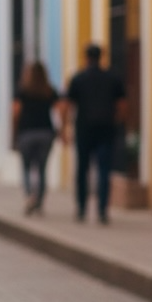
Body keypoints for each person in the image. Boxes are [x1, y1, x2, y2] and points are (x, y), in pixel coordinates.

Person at [62, 43, 127, 223]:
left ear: (86, 58)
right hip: (106, 129)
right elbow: (122, 105)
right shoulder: (112, 78)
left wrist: (64, 128)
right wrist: (117, 121)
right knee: (104, 169)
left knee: (82, 169)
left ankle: (82, 208)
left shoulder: (78, 79)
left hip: (84, 129)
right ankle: (102, 210)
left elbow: (67, 105)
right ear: (101, 57)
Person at [12, 61, 60, 215]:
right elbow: (60, 109)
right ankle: (39, 201)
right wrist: (61, 128)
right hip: (46, 132)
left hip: (27, 132)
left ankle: (29, 197)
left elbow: (16, 112)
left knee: (26, 167)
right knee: (42, 169)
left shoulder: (23, 90)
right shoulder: (49, 91)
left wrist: (14, 133)